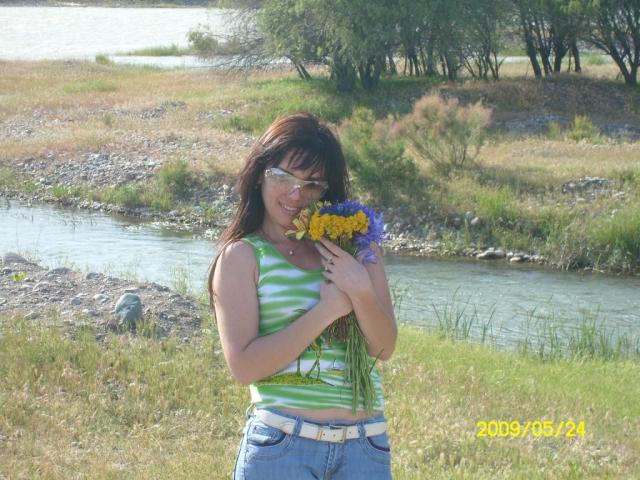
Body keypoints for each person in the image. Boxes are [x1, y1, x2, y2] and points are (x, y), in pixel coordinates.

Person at [207, 112, 397, 479]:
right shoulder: (241, 257)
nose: (297, 194)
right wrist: (326, 311)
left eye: (312, 183)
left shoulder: (356, 245)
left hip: (365, 448)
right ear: (260, 173)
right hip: (283, 447)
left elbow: (385, 348)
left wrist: (360, 290)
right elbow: (244, 367)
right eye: (284, 177)